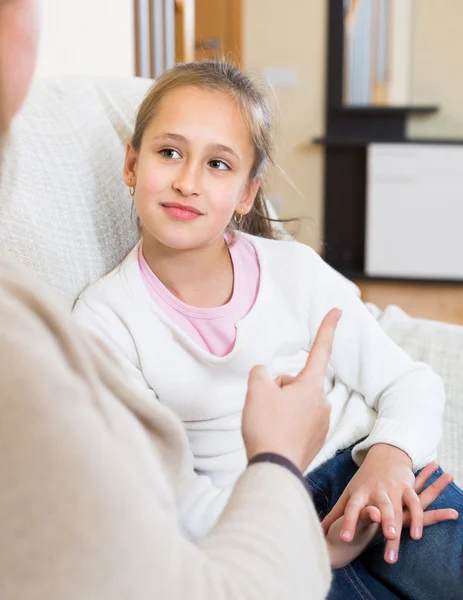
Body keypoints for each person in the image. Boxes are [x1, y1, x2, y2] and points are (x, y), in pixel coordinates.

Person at [2, 2, 451, 599]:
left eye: (218, 164)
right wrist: (312, 545)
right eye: (169, 153)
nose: (189, 180)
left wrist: (390, 455)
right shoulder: (105, 321)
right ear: (132, 165)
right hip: (254, 515)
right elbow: (172, 494)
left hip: (367, 465)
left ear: (246, 193)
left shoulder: (291, 270)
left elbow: (409, 381)